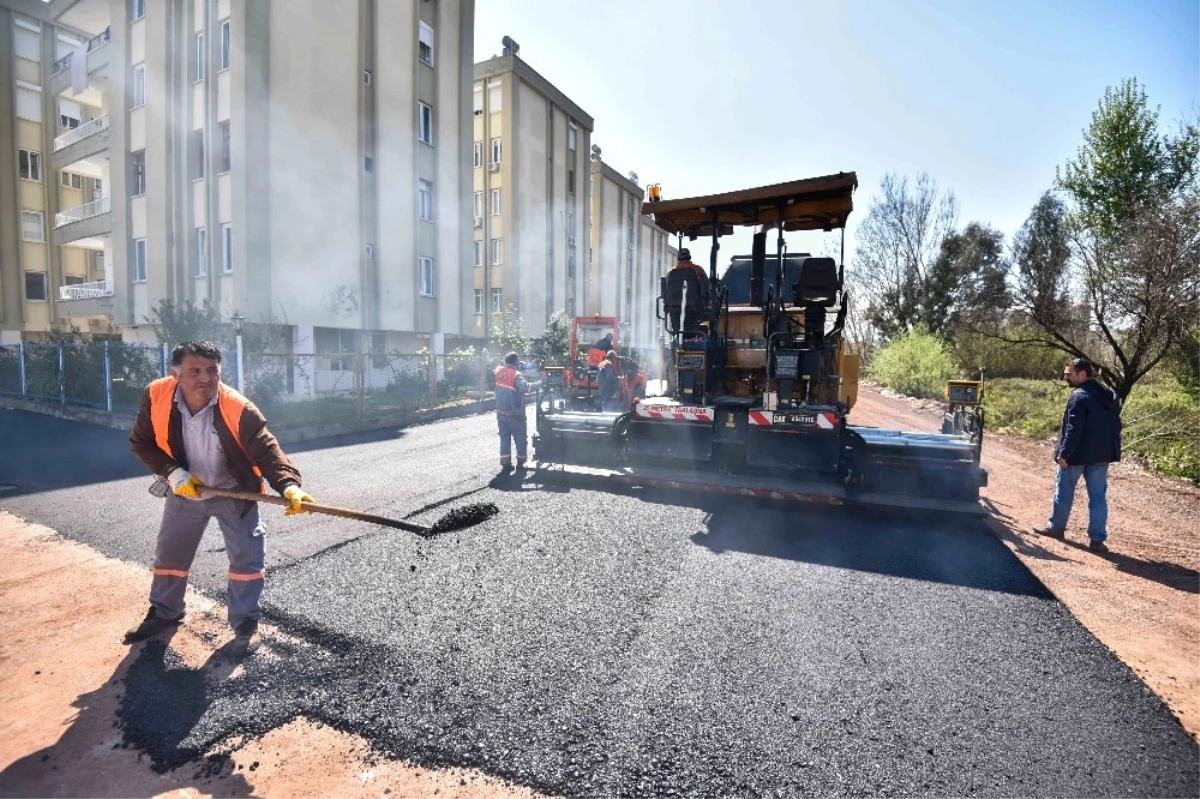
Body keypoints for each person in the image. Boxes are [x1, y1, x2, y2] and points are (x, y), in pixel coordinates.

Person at [126, 340, 315, 650]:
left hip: (235, 494)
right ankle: (164, 612)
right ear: (175, 373)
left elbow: (266, 449)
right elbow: (141, 442)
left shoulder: (237, 407)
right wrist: (173, 473)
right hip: (186, 490)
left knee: (247, 559)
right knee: (170, 556)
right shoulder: (156, 394)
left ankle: (245, 622)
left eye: (212, 370)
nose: (205, 378)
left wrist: (289, 486)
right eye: (194, 371)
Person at [1034, 358, 1122, 553]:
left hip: (1076, 455)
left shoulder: (1079, 396)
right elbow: (1115, 426)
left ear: (1082, 374)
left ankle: (1056, 527)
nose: (1066, 377)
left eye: (1069, 374)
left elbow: (1073, 429)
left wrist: (1063, 453)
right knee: (1098, 497)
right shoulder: (1110, 396)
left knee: (1064, 491)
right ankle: (1097, 540)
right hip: (1101, 456)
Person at [494, 351, 528, 473]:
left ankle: (505, 463)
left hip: (500, 413)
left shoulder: (498, 371)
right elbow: (523, 388)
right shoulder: (517, 375)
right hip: (514, 414)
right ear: (516, 361)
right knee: (520, 438)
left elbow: (501, 367)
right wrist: (541, 383)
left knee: (504, 438)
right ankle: (521, 463)